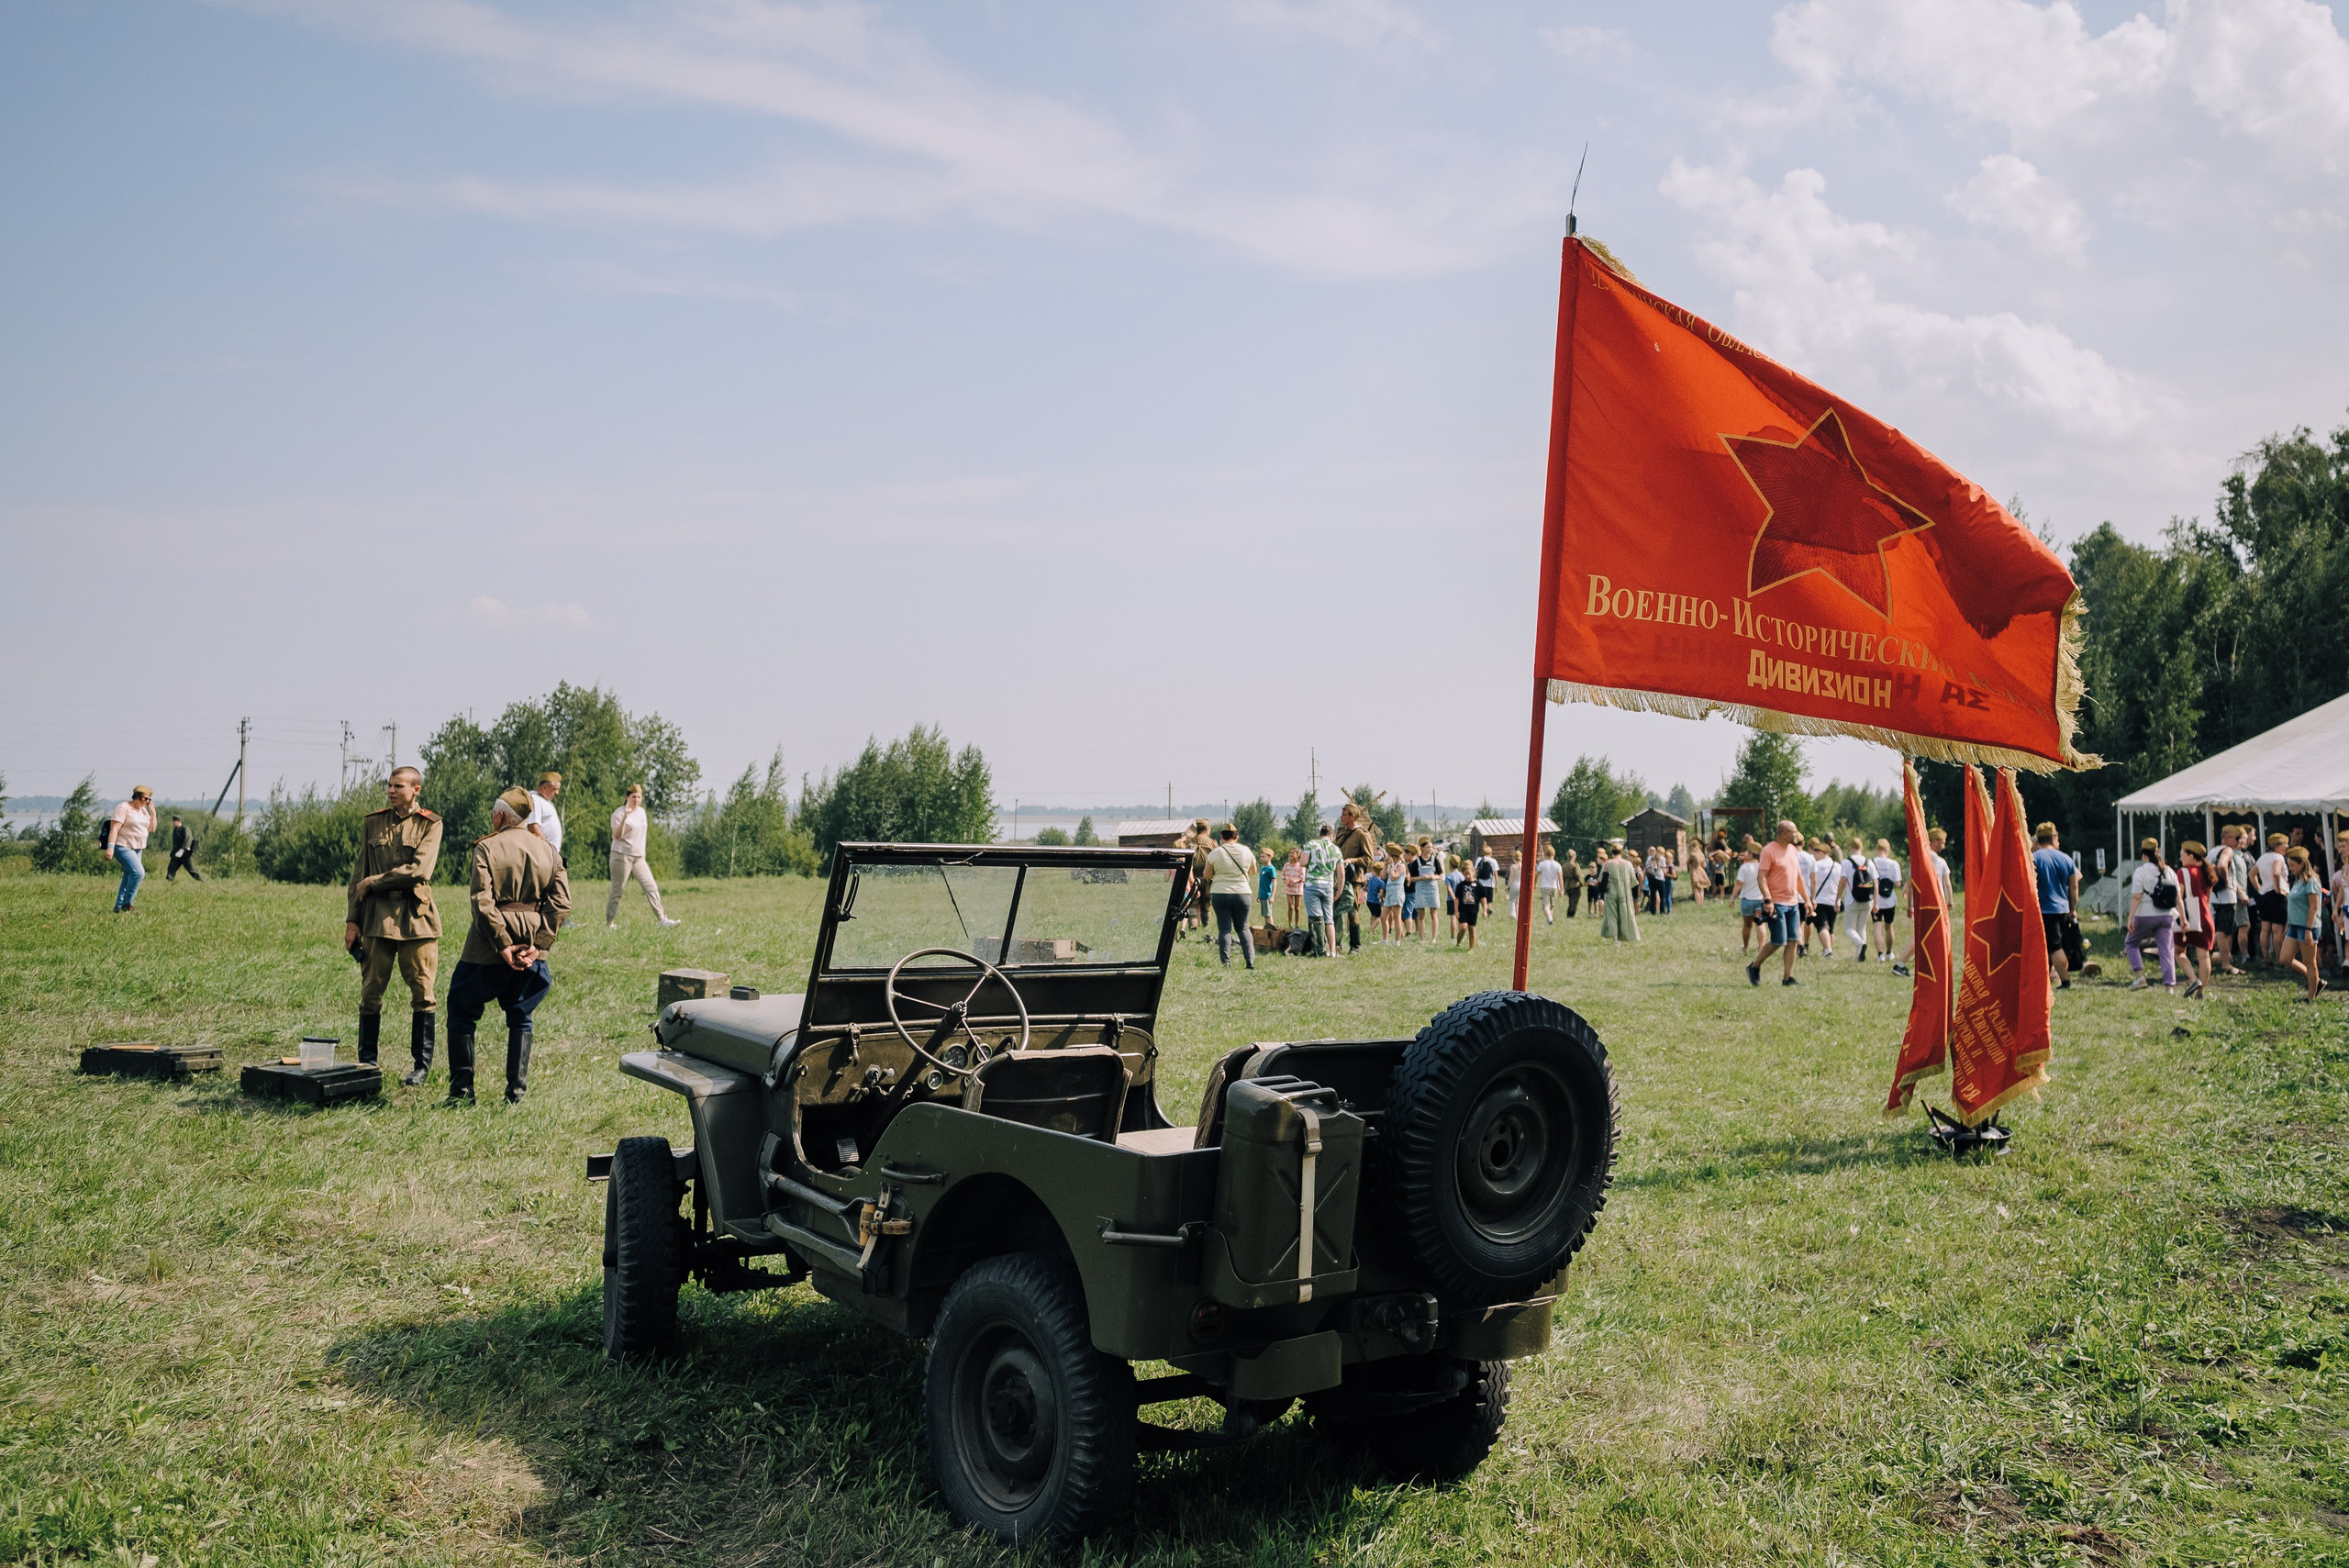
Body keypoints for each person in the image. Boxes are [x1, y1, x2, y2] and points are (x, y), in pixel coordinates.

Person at [447, 787, 572, 1104]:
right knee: (521, 1015)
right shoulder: (550, 853)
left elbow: (481, 902)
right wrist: (539, 944)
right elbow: (561, 904)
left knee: (461, 1010)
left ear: (501, 816)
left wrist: (501, 944)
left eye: (493, 812)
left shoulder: (486, 848)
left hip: (485, 947)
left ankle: (462, 1094)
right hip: (531, 943)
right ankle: (516, 1094)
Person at [343, 766, 443, 1082]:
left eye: (398, 786)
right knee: (371, 991)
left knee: (423, 993)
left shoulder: (431, 824)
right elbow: (358, 875)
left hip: (416, 918)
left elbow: (418, 869)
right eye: (389, 785)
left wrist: (375, 882)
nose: (391, 790)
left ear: (416, 790)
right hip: (377, 919)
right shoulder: (373, 822)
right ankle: (368, 1063)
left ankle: (421, 1067)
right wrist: (352, 921)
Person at [606, 785, 680, 929]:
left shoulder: (641, 812)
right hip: (621, 856)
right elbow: (616, 835)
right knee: (617, 890)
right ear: (627, 797)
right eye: (633, 797)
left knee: (651, 887)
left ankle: (662, 920)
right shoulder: (619, 814)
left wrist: (643, 854)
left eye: (639, 797)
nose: (636, 800)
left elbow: (642, 835)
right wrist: (625, 818)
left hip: (638, 857)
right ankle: (610, 923)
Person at [1749, 819, 1805, 986]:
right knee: (1779, 940)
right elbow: (1762, 877)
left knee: (1794, 940)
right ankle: (1754, 966)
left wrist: (1808, 900)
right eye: (1794, 832)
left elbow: (1798, 878)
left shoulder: (1794, 851)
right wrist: (1767, 899)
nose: (1797, 835)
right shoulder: (1769, 851)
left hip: (1793, 903)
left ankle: (1788, 978)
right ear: (1785, 834)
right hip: (1776, 904)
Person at [1892, 827, 1954, 976]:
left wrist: (1910, 906)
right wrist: (1950, 900)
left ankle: (1926, 964)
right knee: (1922, 935)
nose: (1944, 846)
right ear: (1934, 842)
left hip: (1922, 902)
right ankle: (1900, 964)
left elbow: (1912, 882)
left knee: (1927, 935)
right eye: (1942, 842)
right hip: (1936, 903)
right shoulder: (1940, 862)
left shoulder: (1919, 859)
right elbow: (1947, 883)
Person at [2123, 838, 2180, 995]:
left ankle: (2139, 977)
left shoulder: (2141, 872)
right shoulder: (2169, 871)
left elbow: (2136, 897)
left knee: (2131, 942)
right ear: (2157, 853)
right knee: (2166, 949)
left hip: (2145, 915)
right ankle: (2169, 987)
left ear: (2143, 855)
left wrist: (2130, 919)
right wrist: (2184, 918)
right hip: (2167, 915)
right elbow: (2178, 897)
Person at [2032, 823, 2084, 990]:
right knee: (2051, 946)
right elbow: (2074, 887)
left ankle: (2066, 981)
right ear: (2054, 838)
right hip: (2062, 909)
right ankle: (2044, 981)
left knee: (2054, 947)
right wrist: (2072, 909)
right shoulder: (2066, 859)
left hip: (2044, 910)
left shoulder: (2033, 858)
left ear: (2038, 839)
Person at [1203, 824, 1257, 970]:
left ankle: (1226, 963)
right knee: (1243, 928)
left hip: (1220, 892)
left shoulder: (1216, 852)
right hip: (1242, 892)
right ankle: (1250, 961)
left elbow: (1207, 875)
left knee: (1224, 929)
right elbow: (1253, 871)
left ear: (1222, 837)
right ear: (1236, 837)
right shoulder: (1246, 851)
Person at [2281, 846, 2327, 1002]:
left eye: (2292, 865)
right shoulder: (2298, 881)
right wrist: (2288, 922)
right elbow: (2293, 904)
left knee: (2310, 962)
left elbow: (2313, 907)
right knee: (2285, 959)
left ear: (2302, 863)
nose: (2290, 868)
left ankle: (2311, 996)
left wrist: (2308, 929)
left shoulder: (2312, 881)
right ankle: (2316, 981)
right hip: (2294, 925)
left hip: (2308, 926)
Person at [101, 786, 157, 912]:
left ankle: (119, 907)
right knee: (139, 873)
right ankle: (127, 903)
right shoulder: (123, 808)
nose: (147, 802)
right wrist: (110, 847)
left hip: (138, 848)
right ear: (137, 796)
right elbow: (114, 829)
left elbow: (152, 829)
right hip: (123, 846)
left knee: (129, 875)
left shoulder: (144, 811)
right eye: (145, 799)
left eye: (149, 800)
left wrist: (153, 812)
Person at [1334, 804, 1377, 954]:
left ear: (1352, 816)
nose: (1342, 817)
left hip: (1353, 878)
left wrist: (1352, 860)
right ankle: (1335, 944)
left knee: (1352, 912)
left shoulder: (1362, 834)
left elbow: (1369, 860)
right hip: (1338, 877)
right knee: (1335, 911)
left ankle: (1355, 946)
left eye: (1345, 814)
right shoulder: (1341, 832)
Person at [2177, 841, 2215, 998]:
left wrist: (2181, 917)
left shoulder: (2183, 872)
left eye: (2182, 854)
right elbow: (2207, 898)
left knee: (2177, 951)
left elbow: (2179, 897)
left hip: (2187, 916)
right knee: (2204, 956)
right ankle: (2201, 992)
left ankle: (2193, 979)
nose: (2180, 858)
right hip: (2205, 917)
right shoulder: (2207, 873)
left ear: (2191, 856)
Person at [1303, 823, 1341, 958]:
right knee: (1329, 919)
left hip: (1313, 883)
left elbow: (1303, 862)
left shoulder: (1312, 844)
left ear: (1320, 835)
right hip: (1328, 885)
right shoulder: (1336, 849)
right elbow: (1341, 872)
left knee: (1316, 917)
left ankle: (1319, 950)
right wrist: (1340, 889)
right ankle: (1333, 951)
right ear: (1332, 836)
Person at [2257, 832, 2290, 965]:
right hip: (2276, 896)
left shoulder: (2263, 857)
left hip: (2264, 894)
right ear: (2277, 846)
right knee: (2278, 930)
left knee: (2265, 928)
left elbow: (2252, 873)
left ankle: (2266, 958)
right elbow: (2276, 873)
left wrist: (2260, 887)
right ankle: (2279, 959)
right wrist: (2278, 889)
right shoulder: (2279, 858)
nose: (2287, 848)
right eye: (2285, 845)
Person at [1807, 837, 1842, 960]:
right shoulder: (1837, 866)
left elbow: (1812, 882)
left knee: (1821, 926)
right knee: (1830, 928)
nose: (1814, 855)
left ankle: (1828, 950)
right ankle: (1828, 948)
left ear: (1821, 853)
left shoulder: (1816, 865)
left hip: (1820, 900)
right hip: (1833, 900)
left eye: (1815, 852)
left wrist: (1811, 898)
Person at [1869, 838, 1904, 962]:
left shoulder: (1871, 862)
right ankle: (1889, 952)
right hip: (1890, 900)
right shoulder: (1894, 864)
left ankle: (1880, 955)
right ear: (1887, 850)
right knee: (1889, 927)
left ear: (1877, 849)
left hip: (1875, 900)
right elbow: (1898, 883)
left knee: (1877, 927)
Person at [1598, 840, 1640, 943]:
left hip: (1611, 893)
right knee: (1626, 914)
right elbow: (1634, 881)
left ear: (1612, 852)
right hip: (1625, 894)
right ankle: (1629, 936)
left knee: (1612, 915)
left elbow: (1600, 879)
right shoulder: (1628, 864)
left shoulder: (1607, 863)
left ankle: (1615, 940)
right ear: (1621, 852)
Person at [1843, 835, 1876, 960]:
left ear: (1850, 848)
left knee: (1849, 928)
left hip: (1852, 899)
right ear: (1862, 847)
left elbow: (1842, 882)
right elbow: (1876, 884)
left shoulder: (1846, 862)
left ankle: (1860, 944)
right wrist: (1876, 902)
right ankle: (1859, 956)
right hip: (1868, 899)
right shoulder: (1869, 862)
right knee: (1862, 927)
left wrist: (1837, 900)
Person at [525, 771, 564, 855]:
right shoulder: (535, 799)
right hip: (543, 853)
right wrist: (547, 848)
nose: (557, 793)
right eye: (555, 789)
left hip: (549, 853)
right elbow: (532, 826)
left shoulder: (544, 801)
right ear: (545, 787)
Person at [1734, 847, 1764, 951]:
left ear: (1751, 854)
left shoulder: (1745, 867)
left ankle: (1745, 946)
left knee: (1747, 925)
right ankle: (1761, 947)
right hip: (1761, 899)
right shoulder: (1763, 866)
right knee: (1760, 924)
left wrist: (1732, 897)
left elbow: (1739, 883)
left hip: (1747, 899)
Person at [165, 815, 202, 882]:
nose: (173, 823)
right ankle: (169, 882)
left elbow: (188, 840)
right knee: (171, 868)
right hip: (176, 854)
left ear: (179, 821)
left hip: (185, 855)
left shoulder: (185, 829)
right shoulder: (175, 830)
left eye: (175, 821)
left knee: (191, 870)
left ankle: (203, 881)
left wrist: (182, 850)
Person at [1453, 865, 1483, 948]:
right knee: (1463, 927)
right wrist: (1456, 911)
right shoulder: (1461, 885)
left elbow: (1483, 897)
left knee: (1472, 929)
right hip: (1463, 910)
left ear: (1473, 872)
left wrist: (1484, 910)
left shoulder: (1478, 885)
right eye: (1465, 874)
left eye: (1469, 874)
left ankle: (1471, 948)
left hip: (1473, 911)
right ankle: (1458, 943)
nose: (1467, 876)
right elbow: (1457, 899)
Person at [1537, 841, 1563, 924]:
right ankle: (1548, 921)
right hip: (1554, 887)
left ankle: (1550, 920)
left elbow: (1537, 875)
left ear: (1546, 854)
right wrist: (1561, 889)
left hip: (1545, 887)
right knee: (1551, 907)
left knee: (1546, 906)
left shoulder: (1542, 864)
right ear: (1554, 854)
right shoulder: (1558, 865)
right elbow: (1560, 878)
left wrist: (1534, 884)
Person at [1280, 847, 1306, 927]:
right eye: (1290, 853)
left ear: (1298, 855)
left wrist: (1295, 880)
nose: (1290, 855)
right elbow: (1283, 875)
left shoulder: (1301, 865)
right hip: (1289, 889)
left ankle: (1297, 925)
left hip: (1298, 889)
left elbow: (1302, 878)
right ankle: (1290, 924)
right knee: (1290, 906)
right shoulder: (1287, 865)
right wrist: (1286, 881)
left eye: (1293, 853)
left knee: (1297, 908)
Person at [1256, 848, 1277, 925]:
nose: (1261, 858)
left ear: (1270, 857)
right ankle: (1266, 930)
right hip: (1262, 895)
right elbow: (1260, 882)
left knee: (1268, 915)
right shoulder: (1262, 868)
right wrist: (1258, 894)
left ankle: (1271, 931)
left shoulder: (1271, 869)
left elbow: (1274, 882)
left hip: (1267, 895)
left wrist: (1272, 896)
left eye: (1263, 857)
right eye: (1261, 856)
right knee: (1265, 915)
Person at [1560, 848, 1582, 917]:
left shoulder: (1565, 865)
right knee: (1574, 901)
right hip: (1575, 885)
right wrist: (1581, 876)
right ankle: (1571, 914)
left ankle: (1570, 914)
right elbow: (1578, 875)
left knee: (1570, 900)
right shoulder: (1575, 865)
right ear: (1573, 856)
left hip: (1567, 885)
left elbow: (1563, 876)